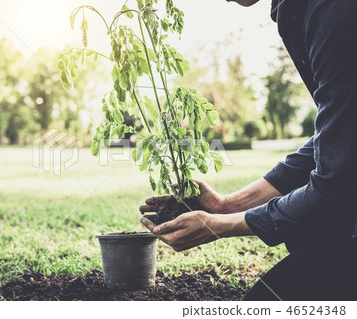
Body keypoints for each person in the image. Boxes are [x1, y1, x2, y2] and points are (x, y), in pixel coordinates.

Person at [140, 0, 357, 301]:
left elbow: (336, 186)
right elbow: (342, 142)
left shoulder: (332, 10)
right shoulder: (298, 9)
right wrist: (227, 205)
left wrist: (220, 225)